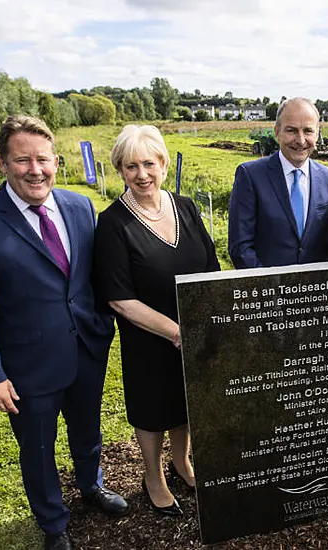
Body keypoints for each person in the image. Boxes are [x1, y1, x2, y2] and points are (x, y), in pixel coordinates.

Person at [0, 116, 128, 550]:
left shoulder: (80, 206)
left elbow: (90, 279)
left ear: (56, 161)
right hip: (27, 365)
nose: (35, 169)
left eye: (43, 159)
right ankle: (53, 524)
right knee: (38, 449)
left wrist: (103, 326)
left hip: (86, 348)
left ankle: (92, 485)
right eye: (23, 160)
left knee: (88, 430)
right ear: (3, 164)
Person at [93, 125, 220, 518]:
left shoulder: (185, 207)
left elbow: (211, 265)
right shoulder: (113, 223)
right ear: (120, 171)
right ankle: (153, 476)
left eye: (149, 163)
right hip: (148, 338)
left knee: (185, 403)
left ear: (163, 164)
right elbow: (119, 297)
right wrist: (175, 331)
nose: (142, 174)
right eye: (131, 166)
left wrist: (207, 320)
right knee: (153, 410)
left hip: (193, 333)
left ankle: (181, 463)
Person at [228, 97, 328, 268]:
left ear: (317, 134)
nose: (301, 140)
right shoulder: (250, 175)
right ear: (277, 132)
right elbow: (241, 247)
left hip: (314, 292)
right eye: (292, 130)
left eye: (308, 131)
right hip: (267, 290)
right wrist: (272, 288)